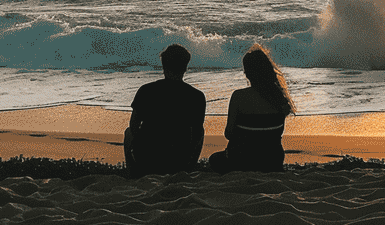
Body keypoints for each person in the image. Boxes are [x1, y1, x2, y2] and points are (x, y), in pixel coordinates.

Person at [209, 45, 296, 174]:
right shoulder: (279, 98)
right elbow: (278, 132)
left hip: (241, 160)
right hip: (272, 160)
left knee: (214, 159)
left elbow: (228, 134)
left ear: (248, 73)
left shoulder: (239, 97)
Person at [124, 44, 206, 177]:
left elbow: (133, 125)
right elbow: (196, 132)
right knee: (201, 132)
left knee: (128, 133)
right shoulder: (197, 96)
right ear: (185, 67)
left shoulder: (146, 90)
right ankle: (186, 170)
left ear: (163, 66)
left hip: (148, 157)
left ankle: (133, 173)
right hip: (178, 158)